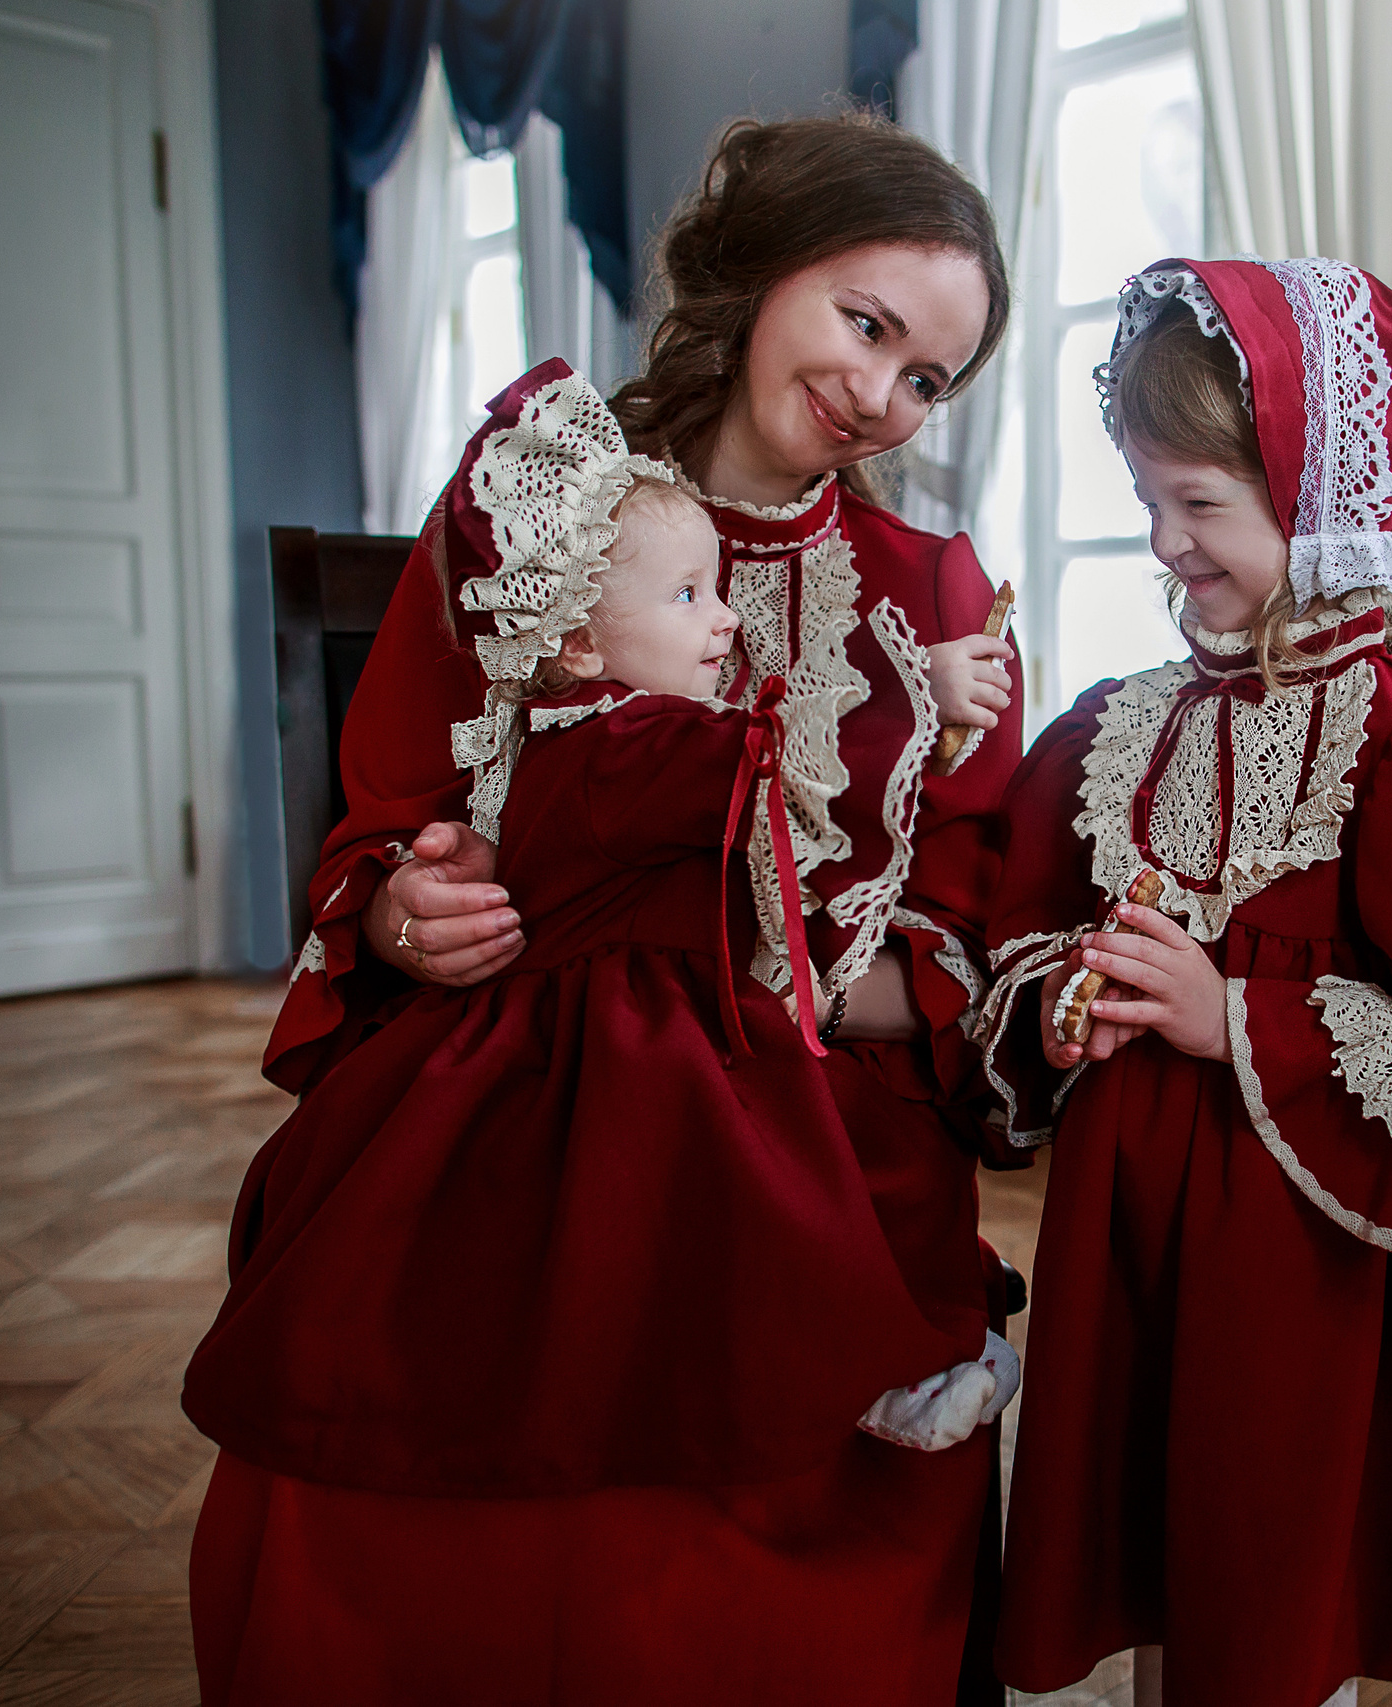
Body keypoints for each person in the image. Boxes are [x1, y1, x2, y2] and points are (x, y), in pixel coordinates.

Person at [244, 114, 1025, 1700]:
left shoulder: (933, 599)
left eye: (928, 376)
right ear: (761, 271)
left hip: (813, 1105)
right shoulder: (539, 505)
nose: (882, 394)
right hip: (522, 1090)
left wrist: (791, 981)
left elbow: (960, 918)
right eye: (865, 323)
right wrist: (405, 910)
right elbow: (390, 808)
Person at [975, 259, 1392, 1707]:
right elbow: (1018, 933)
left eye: (1200, 506)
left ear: (1323, 502)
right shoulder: (1112, 730)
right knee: (1149, 1557)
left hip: (1298, 1257)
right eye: (1148, 500)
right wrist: (1065, 1000)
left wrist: (1238, 1018)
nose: (1165, 544)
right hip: (1127, 1230)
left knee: (1266, 1579)